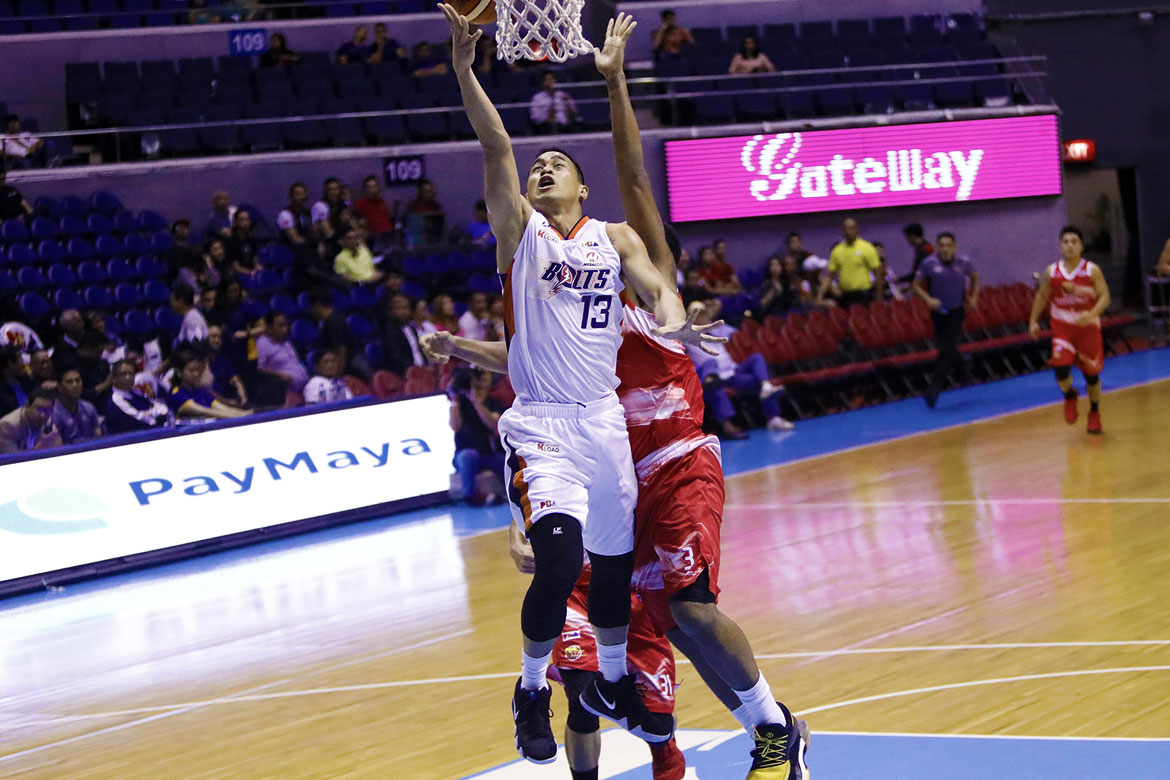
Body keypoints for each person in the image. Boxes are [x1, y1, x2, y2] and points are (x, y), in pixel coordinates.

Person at [429, 11, 804, 778]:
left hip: (674, 456)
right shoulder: (552, 278)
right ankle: (634, 729)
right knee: (648, 622)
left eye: (562, 164)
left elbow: (634, 179)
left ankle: (772, 728)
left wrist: (614, 80)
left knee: (690, 608)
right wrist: (465, 347)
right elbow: (529, 352)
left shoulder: (632, 259)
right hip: (603, 462)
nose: (546, 169)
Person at [508, 525, 686, 780]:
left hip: (632, 580)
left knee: (656, 717)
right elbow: (524, 494)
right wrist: (517, 541)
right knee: (582, 700)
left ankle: (666, 755)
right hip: (573, 585)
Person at [1029, 225, 1111, 434]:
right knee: (1061, 368)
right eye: (1066, 242)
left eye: (1074, 242)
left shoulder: (1092, 270)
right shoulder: (1052, 271)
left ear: (1081, 246)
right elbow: (1042, 296)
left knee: (1091, 375)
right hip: (1063, 328)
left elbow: (1105, 297)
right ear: (1060, 247)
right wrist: (1033, 321)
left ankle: (1094, 411)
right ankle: (1069, 395)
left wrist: (1092, 314)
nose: (1070, 246)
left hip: (1087, 328)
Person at [686, 301, 793, 436]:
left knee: (757, 363)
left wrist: (711, 312)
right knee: (713, 378)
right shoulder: (686, 336)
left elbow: (737, 331)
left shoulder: (715, 331)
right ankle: (728, 426)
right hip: (713, 376)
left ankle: (772, 413)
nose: (700, 318)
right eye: (696, 315)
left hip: (733, 373)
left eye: (702, 315)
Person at [912, 232, 979, 408]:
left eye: (948, 245)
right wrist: (928, 300)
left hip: (957, 310)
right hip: (939, 311)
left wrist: (973, 297)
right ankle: (964, 369)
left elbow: (974, 277)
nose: (945, 249)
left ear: (954, 247)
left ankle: (933, 390)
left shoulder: (964, 262)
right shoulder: (929, 263)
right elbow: (916, 285)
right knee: (946, 348)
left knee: (947, 349)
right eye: (941, 245)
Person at [448, 366, 506, 504]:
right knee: (468, 455)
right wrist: (454, 399)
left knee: (507, 461)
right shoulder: (459, 405)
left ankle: (515, 493)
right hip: (464, 454)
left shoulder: (493, 402)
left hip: (488, 454)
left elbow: (493, 424)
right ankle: (470, 496)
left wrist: (476, 402)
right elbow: (454, 426)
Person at [167, 352, 251, 422]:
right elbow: (206, 412)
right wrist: (240, 415)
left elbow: (222, 408)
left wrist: (245, 414)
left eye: (197, 370)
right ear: (179, 373)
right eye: (191, 370)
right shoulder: (176, 395)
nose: (196, 374)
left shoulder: (201, 391)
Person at [819, 217, 882, 307]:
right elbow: (829, 277)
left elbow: (878, 274)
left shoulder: (867, 248)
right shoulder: (837, 251)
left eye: (851, 228)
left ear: (857, 230)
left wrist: (879, 297)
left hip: (863, 295)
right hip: (845, 296)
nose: (848, 231)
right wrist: (819, 297)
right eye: (845, 229)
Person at [310, 288, 370, 380]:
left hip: (353, 366)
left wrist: (338, 374)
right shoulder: (334, 318)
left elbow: (341, 351)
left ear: (317, 305)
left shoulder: (332, 323)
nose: (311, 310)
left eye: (311, 306)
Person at [104, 359, 171, 433]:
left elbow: (160, 408)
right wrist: (153, 415)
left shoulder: (136, 392)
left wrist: (153, 413)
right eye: (123, 374)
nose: (128, 377)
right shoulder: (116, 399)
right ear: (114, 378)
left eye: (131, 373)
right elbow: (142, 420)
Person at [256, 312, 309, 395]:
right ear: (269, 327)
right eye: (280, 325)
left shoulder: (286, 342)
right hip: (285, 391)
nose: (285, 329)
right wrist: (279, 375)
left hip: (304, 387)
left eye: (286, 325)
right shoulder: (262, 343)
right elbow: (259, 368)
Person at [0, 385, 62, 454]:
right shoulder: (7, 426)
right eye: (39, 410)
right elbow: (12, 460)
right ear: (27, 405)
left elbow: (58, 443)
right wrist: (39, 448)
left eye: (47, 411)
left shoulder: (48, 419)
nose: (43, 415)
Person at [379, 293, 427, 377]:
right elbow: (397, 360)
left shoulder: (412, 329)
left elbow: (420, 351)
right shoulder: (389, 332)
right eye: (400, 309)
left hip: (423, 370)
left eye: (406, 308)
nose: (405, 312)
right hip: (406, 374)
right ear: (392, 311)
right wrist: (416, 370)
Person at [52, 366, 100, 444]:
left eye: (78, 380)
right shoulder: (53, 414)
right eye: (69, 382)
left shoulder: (89, 408)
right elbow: (57, 447)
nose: (75, 385)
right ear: (59, 386)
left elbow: (99, 438)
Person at [206, 324, 248, 408]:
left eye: (219, 337)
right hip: (212, 404)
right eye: (213, 337)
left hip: (228, 402)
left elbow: (235, 380)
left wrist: (243, 397)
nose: (217, 340)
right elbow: (206, 391)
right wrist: (227, 402)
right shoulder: (202, 361)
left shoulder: (222, 359)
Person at [352, 175, 397, 249]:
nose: (372, 190)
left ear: (378, 187)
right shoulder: (360, 203)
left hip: (388, 235)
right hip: (373, 237)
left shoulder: (382, 201)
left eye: (374, 186)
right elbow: (355, 220)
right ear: (365, 189)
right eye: (369, 187)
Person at [403, 179, 446, 247]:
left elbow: (440, 225)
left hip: (434, 242)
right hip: (417, 242)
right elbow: (410, 225)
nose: (427, 194)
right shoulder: (412, 206)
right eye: (424, 191)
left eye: (429, 191)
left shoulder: (436, 205)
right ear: (419, 192)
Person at [172, 282, 210, 347]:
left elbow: (197, 346)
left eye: (172, 300)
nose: (171, 304)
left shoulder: (193, 318)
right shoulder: (190, 316)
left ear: (180, 301)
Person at [0, 345, 32, 416]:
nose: (24, 364)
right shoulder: (2, 392)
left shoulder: (27, 379)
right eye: (20, 359)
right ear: (10, 364)